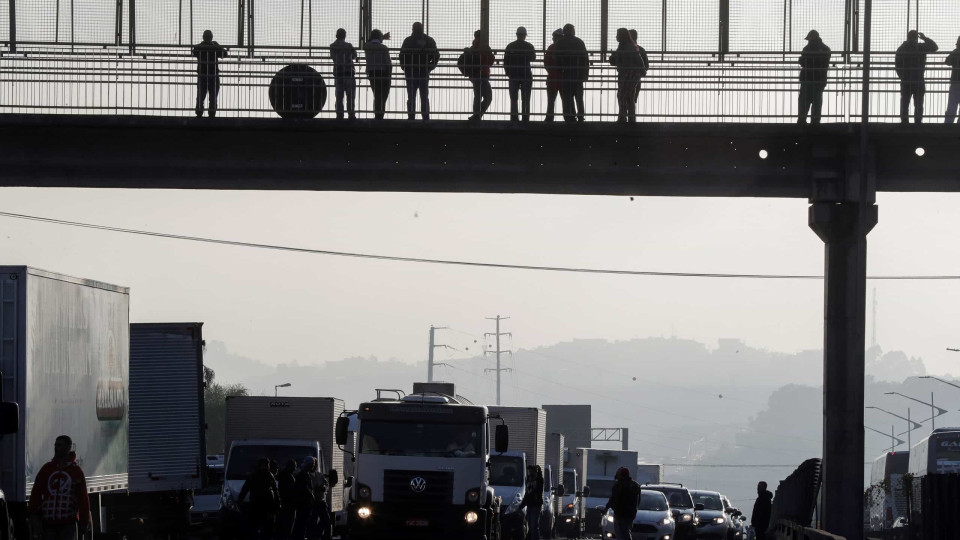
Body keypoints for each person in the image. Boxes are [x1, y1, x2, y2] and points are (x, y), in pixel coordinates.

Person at [28, 435, 91, 540]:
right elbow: (36, 493)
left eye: (60, 445)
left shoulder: (75, 471)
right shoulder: (47, 469)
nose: (56, 448)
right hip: (48, 523)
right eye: (56, 445)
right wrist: (33, 514)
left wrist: (84, 521)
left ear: (68, 447)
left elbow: (83, 498)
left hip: (68, 523)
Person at [895, 30, 938, 124]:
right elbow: (935, 47)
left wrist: (902, 76)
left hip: (906, 80)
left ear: (908, 37)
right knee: (918, 104)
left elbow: (897, 65)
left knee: (905, 103)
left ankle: (904, 123)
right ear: (916, 38)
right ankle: (918, 122)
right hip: (918, 79)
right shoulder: (920, 47)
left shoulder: (902, 48)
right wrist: (925, 38)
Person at [399, 22, 440, 120]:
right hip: (423, 71)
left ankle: (411, 116)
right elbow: (436, 55)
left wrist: (405, 66)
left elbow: (401, 55)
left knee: (411, 96)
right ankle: (425, 117)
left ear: (412, 29)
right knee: (424, 95)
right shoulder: (429, 40)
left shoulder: (408, 40)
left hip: (411, 71)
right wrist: (430, 66)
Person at [238, 458, 280, 540]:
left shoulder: (270, 476)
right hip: (255, 507)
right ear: (260, 466)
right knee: (254, 530)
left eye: (267, 465)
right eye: (264, 465)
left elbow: (276, 491)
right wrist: (240, 502)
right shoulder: (253, 476)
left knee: (268, 531)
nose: (266, 467)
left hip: (268, 508)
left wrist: (277, 504)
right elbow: (244, 490)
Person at [610, 28, 645, 123]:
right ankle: (630, 118)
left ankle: (623, 117)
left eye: (617, 35)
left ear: (622, 36)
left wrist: (613, 56)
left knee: (622, 95)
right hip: (631, 74)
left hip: (628, 74)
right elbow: (639, 59)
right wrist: (642, 70)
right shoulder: (628, 45)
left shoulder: (626, 46)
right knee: (629, 96)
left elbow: (636, 58)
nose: (616, 37)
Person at [556, 24, 589, 123]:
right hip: (578, 74)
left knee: (567, 97)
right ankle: (580, 116)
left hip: (565, 73)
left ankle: (569, 116)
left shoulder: (559, 43)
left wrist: (560, 70)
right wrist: (585, 74)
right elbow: (585, 59)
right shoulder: (579, 42)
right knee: (579, 97)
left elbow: (556, 58)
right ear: (572, 31)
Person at [797, 30, 831, 124]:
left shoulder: (807, 49)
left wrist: (801, 60)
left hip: (807, 79)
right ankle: (815, 122)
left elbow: (803, 62)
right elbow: (824, 63)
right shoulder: (826, 49)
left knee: (804, 102)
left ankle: (801, 121)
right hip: (819, 80)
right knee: (817, 102)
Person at [192, 30, 227, 118]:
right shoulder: (213, 47)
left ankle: (199, 113)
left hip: (203, 75)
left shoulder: (200, 47)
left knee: (201, 96)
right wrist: (216, 46)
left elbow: (194, 51)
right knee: (212, 97)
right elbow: (224, 54)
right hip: (213, 75)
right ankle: (211, 114)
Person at [504, 27, 536, 122]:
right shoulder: (529, 46)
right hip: (526, 74)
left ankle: (514, 118)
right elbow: (533, 58)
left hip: (513, 74)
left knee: (514, 98)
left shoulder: (510, 46)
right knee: (526, 98)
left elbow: (506, 61)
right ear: (525, 35)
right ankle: (525, 118)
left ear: (517, 34)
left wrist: (508, 72)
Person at [466, 30, 496, 121]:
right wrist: (492, 55)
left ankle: (476, 115)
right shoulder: (485, 47)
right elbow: (490, 61)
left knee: (477, 96)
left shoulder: (472, 47)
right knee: (488, 97)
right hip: (482, 74)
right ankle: (477, 115)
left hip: (474, 75)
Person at [604, 467, 641, 540]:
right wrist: (634, 510)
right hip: (630, 515)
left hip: (620, 514)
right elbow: (638, 500)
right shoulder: (635, 485)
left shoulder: (618, 485)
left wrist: (607, 508)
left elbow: (613, 499)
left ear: (620, 475)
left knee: (621, 534)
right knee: (626, 531)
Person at [330, 29, 358, 120]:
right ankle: (351, 114)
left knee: (339, 96)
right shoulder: (349, 46)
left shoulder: (332, 46)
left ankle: (339, 115)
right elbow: (355, 56)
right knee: (350, 97)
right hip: (349, 73)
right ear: (344, 36)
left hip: (338, 73)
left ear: (336, 35)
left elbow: (333, 57)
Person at [364, 30, 392, 120]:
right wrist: (389, 75)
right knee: (383, 95)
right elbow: (388, 63)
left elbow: (368, 41)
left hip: (372, 73)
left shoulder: (367, 47)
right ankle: (380, 115)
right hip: (383, 73)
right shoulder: (384, 48)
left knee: (377, 94)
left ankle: (377, 114)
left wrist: (381, 37)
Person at [518, 466, 545, 540]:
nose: (530, 473)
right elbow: (527, 495)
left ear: (535, 471)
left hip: (536, 506)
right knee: (530, 525)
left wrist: (539, 470)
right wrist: (521, 506)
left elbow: (540, 479)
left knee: (534, 526)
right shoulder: (528, 481)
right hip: (529, 505)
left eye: (531, 471)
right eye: (529, 471)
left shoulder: (538, 480)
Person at [275, 460, 299, 540]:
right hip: (289, 504)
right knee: (288, 525)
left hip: (286, 503)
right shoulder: (288, 476)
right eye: (294, 466)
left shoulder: (282, 475)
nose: (295, 468)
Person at [544, 29, 564, 121]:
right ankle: (568, 118)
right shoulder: (564, 48)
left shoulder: (551, 48)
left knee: (551, 101)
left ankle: (549, 118)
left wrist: (551, 71)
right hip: (563, 79)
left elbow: (546, 63)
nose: (553, 38)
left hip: (552, 78)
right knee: (566, 100)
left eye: (554, 36)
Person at [629, 29, 648, 105]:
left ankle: (624, 116)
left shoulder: (624, 49)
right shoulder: (641, 50)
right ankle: (631, 116)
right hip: (637, 79)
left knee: (624, 100)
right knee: (632, 101)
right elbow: (646, 65)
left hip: (626, 79)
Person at [944, 36, 960, 123]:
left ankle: (948, 124)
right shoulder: (955, 52)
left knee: (952, 105)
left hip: (955, 82)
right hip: (955, 82)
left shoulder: (955, 52)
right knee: (952, 105)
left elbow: (947, 61)